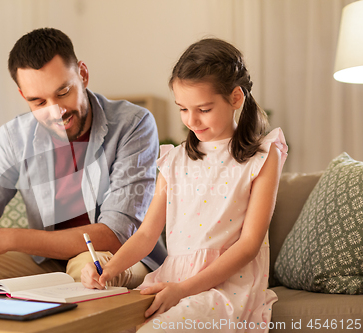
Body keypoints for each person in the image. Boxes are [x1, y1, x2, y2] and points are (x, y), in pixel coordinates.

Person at [0, 28, 167, 291]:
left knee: (90, 271)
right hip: (46, 260)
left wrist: (9, 238)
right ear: (24, 96)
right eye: (38, 102)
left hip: (120, 255)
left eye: (63, 92)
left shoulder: (133, 124)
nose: (56, 111)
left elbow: (114, 235)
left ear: (83, 75)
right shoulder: (13, 138)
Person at [81, 38, 288, 332]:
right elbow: (147, 234)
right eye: (183, 109)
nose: (191, 120)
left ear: (236, 98)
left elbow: (248, 246)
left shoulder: (262, 157)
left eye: (203, 109)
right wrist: (108, 269)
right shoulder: (174, 159)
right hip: (172, 281)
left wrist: (184, 290)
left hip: (225, 289)